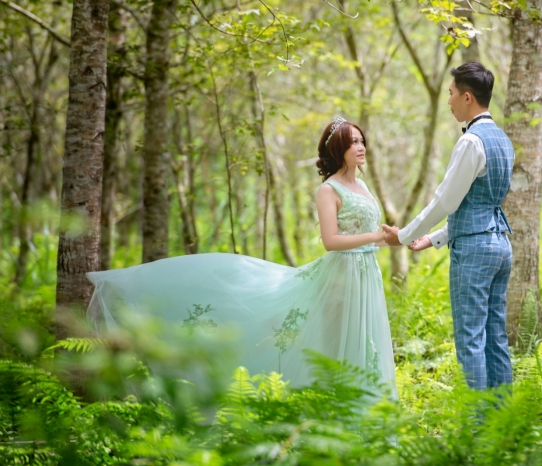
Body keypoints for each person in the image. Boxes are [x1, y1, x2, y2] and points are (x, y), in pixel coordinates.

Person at [86, 117, 397, 398]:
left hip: (366, 274)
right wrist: (376, 237)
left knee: (363, 341)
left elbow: (369, 236)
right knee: (334, 344)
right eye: (353, 141)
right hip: (340, 277)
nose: (360, 146)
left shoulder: (363, 185)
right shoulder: (328, 190)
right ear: (337, 148)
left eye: (361, 140)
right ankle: (331, 406)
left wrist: (392, 241)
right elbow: (331, 241)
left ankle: (363, 406)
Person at [382, 62, 514, 391]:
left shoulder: (471, 142)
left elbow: (446, 201)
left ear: (468, 97)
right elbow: (480, 203)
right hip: (500, 245)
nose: (449, 100)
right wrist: (435, 239)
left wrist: (403, 235)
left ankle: (476, 428)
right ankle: (503, 422)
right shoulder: (503, 140)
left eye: (452, 94)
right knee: (496, 338)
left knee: (470, 340)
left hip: (474, 250)